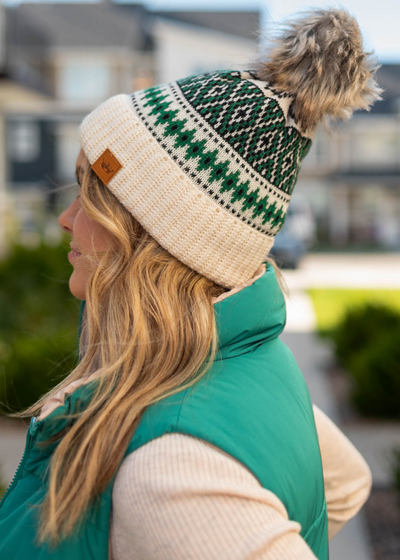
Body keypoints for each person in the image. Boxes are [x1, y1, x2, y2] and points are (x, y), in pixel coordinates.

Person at [0, 7, 382, 560]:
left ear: (157, 238)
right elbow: (346, 481)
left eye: (92, 194)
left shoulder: (171, 474)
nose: (67, 218)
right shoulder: (241, 361)